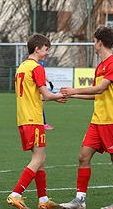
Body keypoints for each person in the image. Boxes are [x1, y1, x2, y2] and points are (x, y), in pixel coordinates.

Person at [59, 26, 113, 209]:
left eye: (94, 41)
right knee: (83, 156)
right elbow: (95, 94)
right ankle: (80, 200)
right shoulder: (100, 66)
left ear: (99, 42)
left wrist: (74, 90)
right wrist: (71, 95)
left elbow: (100, 88)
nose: (93, 45)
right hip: (97, 120)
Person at [6, 33, 67, 209]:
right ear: (37, 49)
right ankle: (16, 194)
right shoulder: (37, 68)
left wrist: (53, 97)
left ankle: (43, 200)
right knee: (38, 158)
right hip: (33, 118)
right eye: (46, 49)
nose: (47, 53)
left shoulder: (22, 67)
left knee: (41, 158)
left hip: (23, 118)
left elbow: (36, 95)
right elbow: (46, 94)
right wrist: (59, 96)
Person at [38, 60, 55, 130]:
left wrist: (49, 81)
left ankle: (42, 123)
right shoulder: (37, 62)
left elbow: (43, 73)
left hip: (40, 84)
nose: (47, 53)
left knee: (40, 103)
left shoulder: (41, 62)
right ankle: (43, 123)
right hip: (38, 85)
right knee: (40, 102)